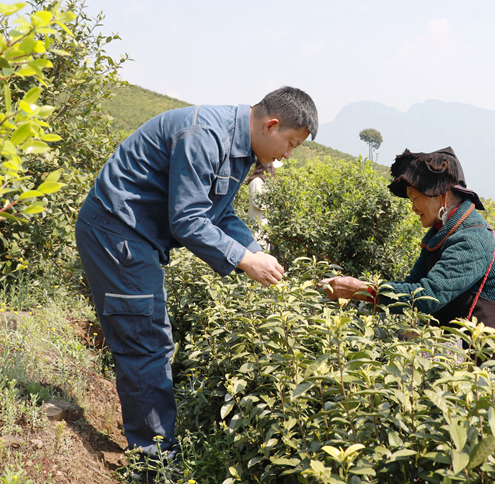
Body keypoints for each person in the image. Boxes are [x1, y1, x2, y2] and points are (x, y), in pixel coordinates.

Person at [74, 87, 317, 471]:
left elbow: (218, 213)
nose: (288, 155)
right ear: (271, 125)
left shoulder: (239, 147)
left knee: (148, 339)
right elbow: (187, 220)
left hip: (134, 236)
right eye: (291, 144)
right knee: (146, 343)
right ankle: (154, 465)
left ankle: (154, 454)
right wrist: (244, 261)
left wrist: (254, 251)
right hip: (117, 233)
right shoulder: (204, 136)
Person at [322, 147, 495, 370]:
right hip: (472, 349)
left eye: (415, 198)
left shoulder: (472, 239)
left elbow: (429, 296)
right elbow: (413, 285)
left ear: (441, 194)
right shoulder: (440, 234)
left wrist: (361, 290)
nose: (413, 208)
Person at [246, 160, 277, 251]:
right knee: (258, 249)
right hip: (257, 223)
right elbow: (258, 203)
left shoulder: (263, 182)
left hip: (264, 224)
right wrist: (272, 203)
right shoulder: (256, 181)